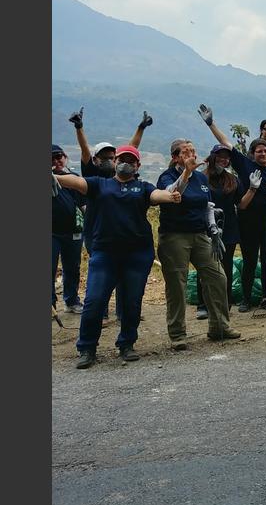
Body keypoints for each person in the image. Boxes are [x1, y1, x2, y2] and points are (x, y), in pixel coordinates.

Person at [53, 145, 182, 369]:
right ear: (115, 162)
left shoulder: (143, 187)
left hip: (137, 254)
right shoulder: (99, 184)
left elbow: (157, 195)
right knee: (94, 301)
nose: (126, 163)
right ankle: (87, 348)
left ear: (137, 166)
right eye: (122, 159)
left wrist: (171, 196)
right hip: (105, 254)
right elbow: (74, 182)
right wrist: (52, 176)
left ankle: (126, 344)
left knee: (132, 301)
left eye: (131, 160)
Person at [199, 105, 266, 313]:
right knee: (249, 259)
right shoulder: (246, 166)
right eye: (259, 151)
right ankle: (246, 299)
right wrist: (211, 123)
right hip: (248, 222)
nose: (264, 153)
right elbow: (226, 145)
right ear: (252, 154)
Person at [68, 107, 152, 323]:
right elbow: (84, 150)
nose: (110, 160)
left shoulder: (125, 175)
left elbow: (132, 149)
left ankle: (124, 313)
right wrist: (79, 128)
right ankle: (101, 313)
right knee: (101, 278)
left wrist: (140, 127)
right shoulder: (93, 175)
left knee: (125, 278)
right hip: (96, 234)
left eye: (111, 157)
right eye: (104, 157)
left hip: (124, 236)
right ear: (96, 160)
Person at [157, 140, 241, 349]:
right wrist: (185, 172)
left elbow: (207, 206)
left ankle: (219, 326)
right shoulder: (167, 176)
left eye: (193, 151)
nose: (191, 155)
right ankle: (178, 334)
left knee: (218, 276)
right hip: (175, 236)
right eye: (185, 152)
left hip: (200, 234)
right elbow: (172, 193)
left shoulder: (201, 178)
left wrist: (213, 229)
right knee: (177, 284)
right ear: (175, 157)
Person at [194, 145, 245, 315]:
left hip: (228, 227)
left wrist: (252, 188)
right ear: (212, 157)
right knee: (205, 265)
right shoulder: (201, 178)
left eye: (227, 157)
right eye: (220, 156)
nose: (224, 160)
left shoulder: (232, 180)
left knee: (226, 265)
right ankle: (203, 305)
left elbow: (241, 203)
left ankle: (225, 301)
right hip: (206, 227)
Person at [52, 145, 85, 316]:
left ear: (65, 158)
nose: (57, 161)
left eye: (59, 157)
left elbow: (83, 203)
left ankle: (71, 301)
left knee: (72, 266)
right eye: (52, 158)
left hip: (74, 231)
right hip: (51, 232)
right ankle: (51, 306)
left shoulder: (73, 178)